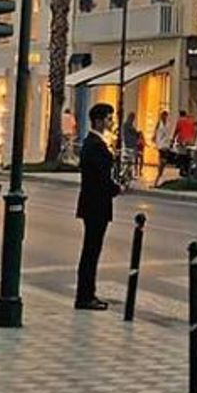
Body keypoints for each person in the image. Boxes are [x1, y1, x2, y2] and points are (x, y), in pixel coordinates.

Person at [74, 103, 120, 311]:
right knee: (91, 251)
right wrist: (115, 188)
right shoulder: (95, 145)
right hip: (96, 205)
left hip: (93, 204)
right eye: (109, 119)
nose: (111, 123)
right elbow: (100, 177)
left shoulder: (93, 143)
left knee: (91, 251)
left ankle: (87, 293)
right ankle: (85, 296)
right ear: (99, 121)